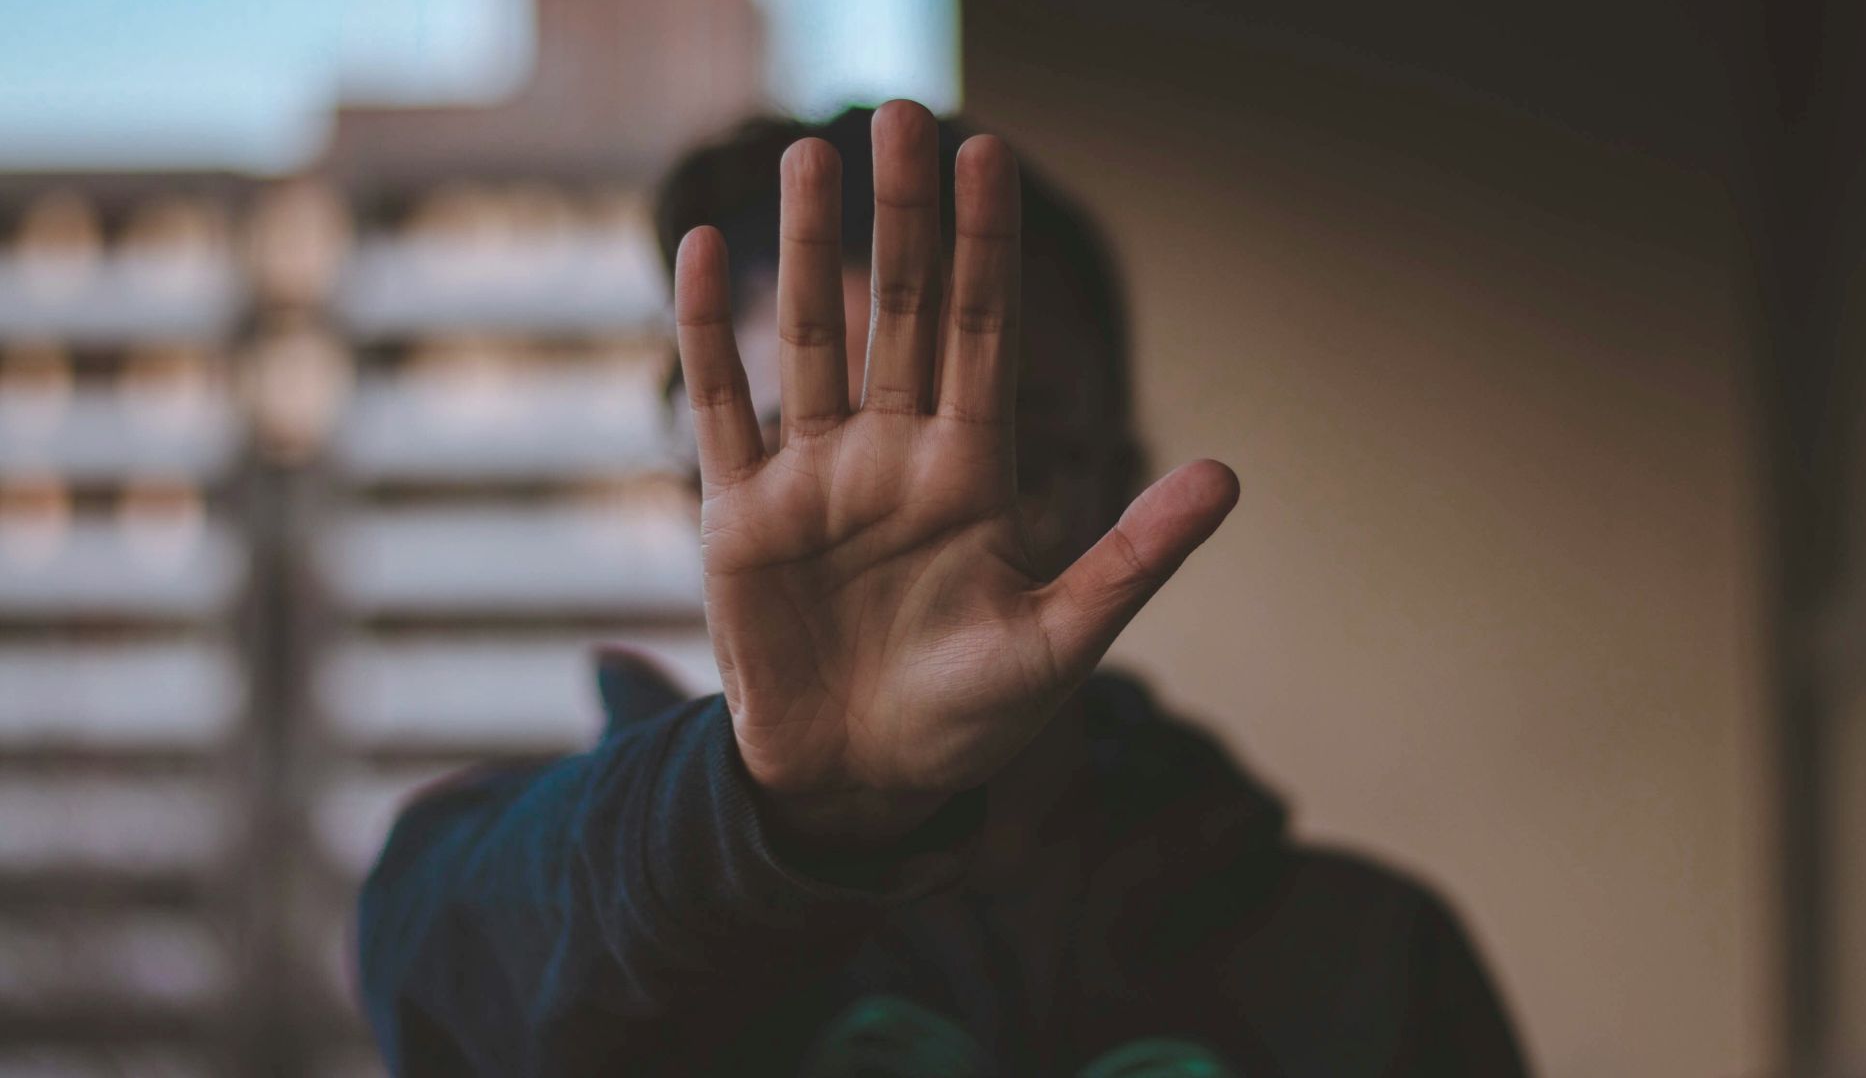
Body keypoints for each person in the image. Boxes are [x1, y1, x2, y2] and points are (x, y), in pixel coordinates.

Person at [357, 100, 1530, 1078]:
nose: (894, 528)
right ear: (696, 499)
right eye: (802, 448)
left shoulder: (1364, 968)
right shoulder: (559, 908)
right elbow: (442, 981)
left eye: (997, 446)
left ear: (1113, 485)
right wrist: (785, 817)